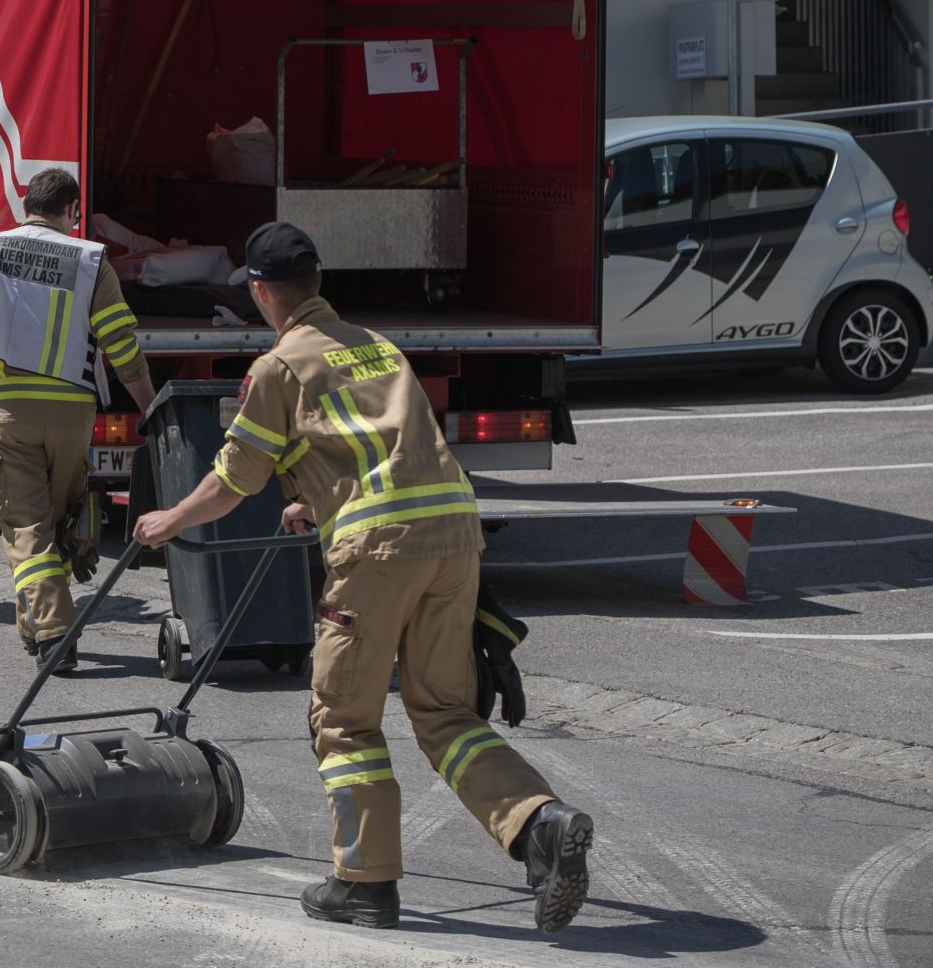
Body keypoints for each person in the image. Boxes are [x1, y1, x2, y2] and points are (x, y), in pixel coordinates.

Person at [131, 221, 593, 934]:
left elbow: (232, 479)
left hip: (378, 551)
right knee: (445, 714)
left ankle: (365, 883)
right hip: (453, 536)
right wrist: (313, 497)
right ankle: (540, 821)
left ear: (260, 291)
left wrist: (168, 521)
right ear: (319, 285)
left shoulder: (280, 366)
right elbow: (380, 446)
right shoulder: (378, 345)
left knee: (343, 719)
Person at [0, 168, 156, 672]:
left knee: (25, 526)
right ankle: (33, 624)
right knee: (56, 524)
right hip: (71, 413)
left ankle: (56, 634)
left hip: (7, 411)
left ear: (26, 205)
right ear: (72, 210)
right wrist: (150, 406)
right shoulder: (89, 260)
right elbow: (121, 343)